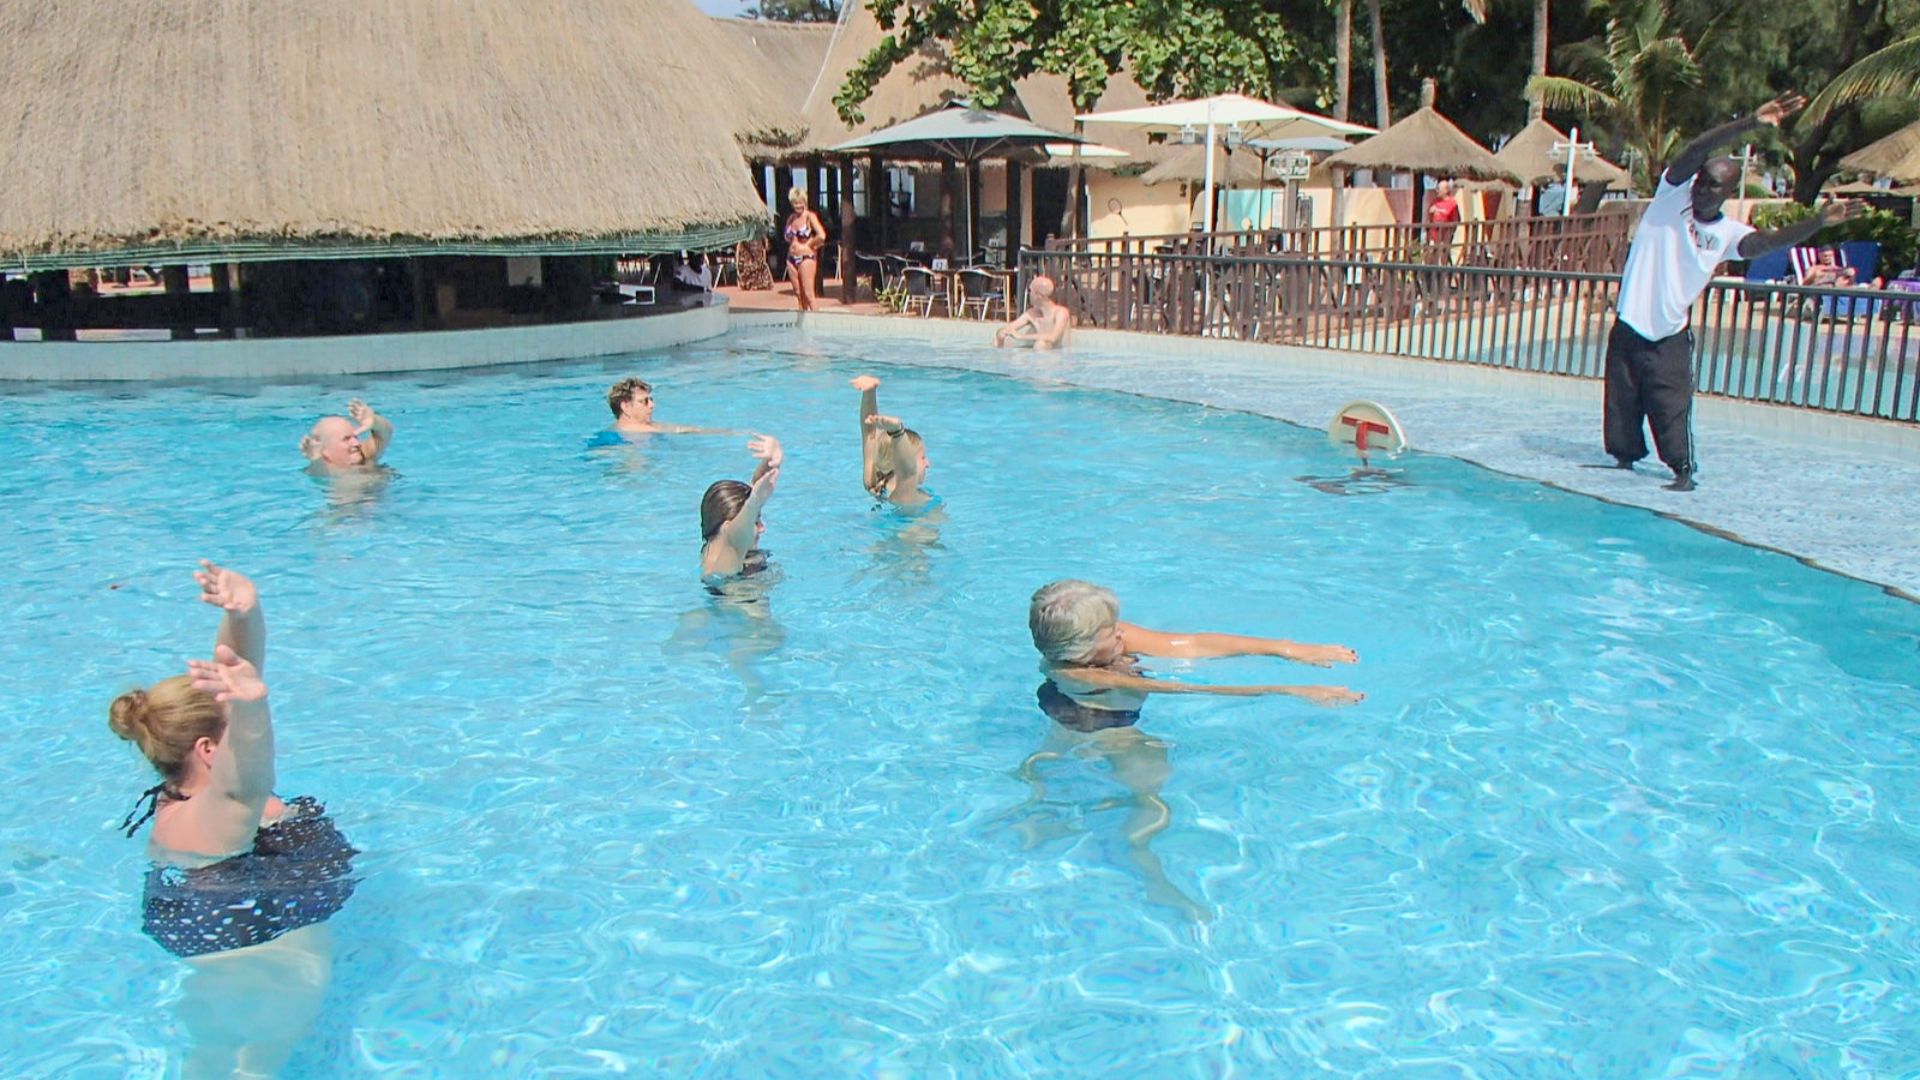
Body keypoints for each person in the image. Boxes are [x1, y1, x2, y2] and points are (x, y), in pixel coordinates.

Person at [109, 562, 356, 1076]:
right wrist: (254, 708)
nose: (245, 728)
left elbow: (232, 674)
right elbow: (246, 780)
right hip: (251, 941)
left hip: (227, 926)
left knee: (215, 1054)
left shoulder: (186, 793)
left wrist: (246, 612)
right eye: (233, 726)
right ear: (206, 749)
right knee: (258, 1065)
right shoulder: (217, 813)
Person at [1604, 91, 1863, 492]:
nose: (1703, 191)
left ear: (1728, 192)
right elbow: (1697, 147)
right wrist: (1752, 123)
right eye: (1702, 182)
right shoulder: (1671, 196)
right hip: (1629, 322)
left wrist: (1817, 223)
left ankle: (1682, 470)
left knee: (1671, 404)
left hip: (1670, 333)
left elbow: (1767, 243)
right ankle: (1624, 458)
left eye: (1714, 186)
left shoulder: (1728, 234)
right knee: (1621, 401)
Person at [1027, 580, 1362, 732]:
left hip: (1086, 700)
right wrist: (1292, 690)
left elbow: (1191, 645)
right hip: (1100, 721)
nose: (1120, 631)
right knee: (1149, 797)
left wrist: (1285, 649)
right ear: (1081, 648)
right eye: (1108, 629)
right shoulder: (1080, 673)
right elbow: (1190, 689)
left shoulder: (1105, 633)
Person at [700, 434, 782, 581]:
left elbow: (756, 491)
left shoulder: (720, 544)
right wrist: (755, 501)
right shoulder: (722, 556)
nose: (762, 528)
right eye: (755, 522)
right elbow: (745, 515)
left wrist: (771, 462)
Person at [851, 374, 932, 510]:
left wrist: (869, 392)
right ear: (903, 462)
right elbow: (908, 472)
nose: (928, 463)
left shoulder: (873, 483)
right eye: (922, 457)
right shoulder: (904, 495)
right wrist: (897, 431)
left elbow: (869, 434)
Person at [602, 377, 733, 438]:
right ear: (625, 406)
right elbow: (681, 430)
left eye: (651, 400)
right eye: (644, 401)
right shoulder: (638, 431)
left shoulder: (614, 430)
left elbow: (680, 429)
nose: (652, 405)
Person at [300, 398, 392, 473]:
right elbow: (319, 472)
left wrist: (374, 421)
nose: (356, 443)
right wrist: (316, 461)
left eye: (355, 437)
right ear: (326, 451)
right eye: (346, 439)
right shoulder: (326, 470)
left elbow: (386, 432)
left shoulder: (365, 456)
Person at [993, 275, 1073, 350]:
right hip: (1039, 356)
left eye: (1030, 291)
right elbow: (1008, 328)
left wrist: (1020, 336)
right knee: (999, 339)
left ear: (1039, 295)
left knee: (1040, 345)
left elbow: (1053, 337)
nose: (1028, 294)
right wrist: (1002, 333)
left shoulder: (1060, 313)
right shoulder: (1032, 313)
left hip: (1059, 357)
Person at [783, 187, 827, 312]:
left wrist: (809, 245)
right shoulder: (791, 218)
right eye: (795, 202)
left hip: (806, 257)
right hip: (791, 258)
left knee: (809, 294)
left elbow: (822, 235)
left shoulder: (809, 216)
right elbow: (787, 237)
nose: (798, 205)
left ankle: (817, 323)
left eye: (801, 202)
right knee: (798, 294)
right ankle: (802, 326)